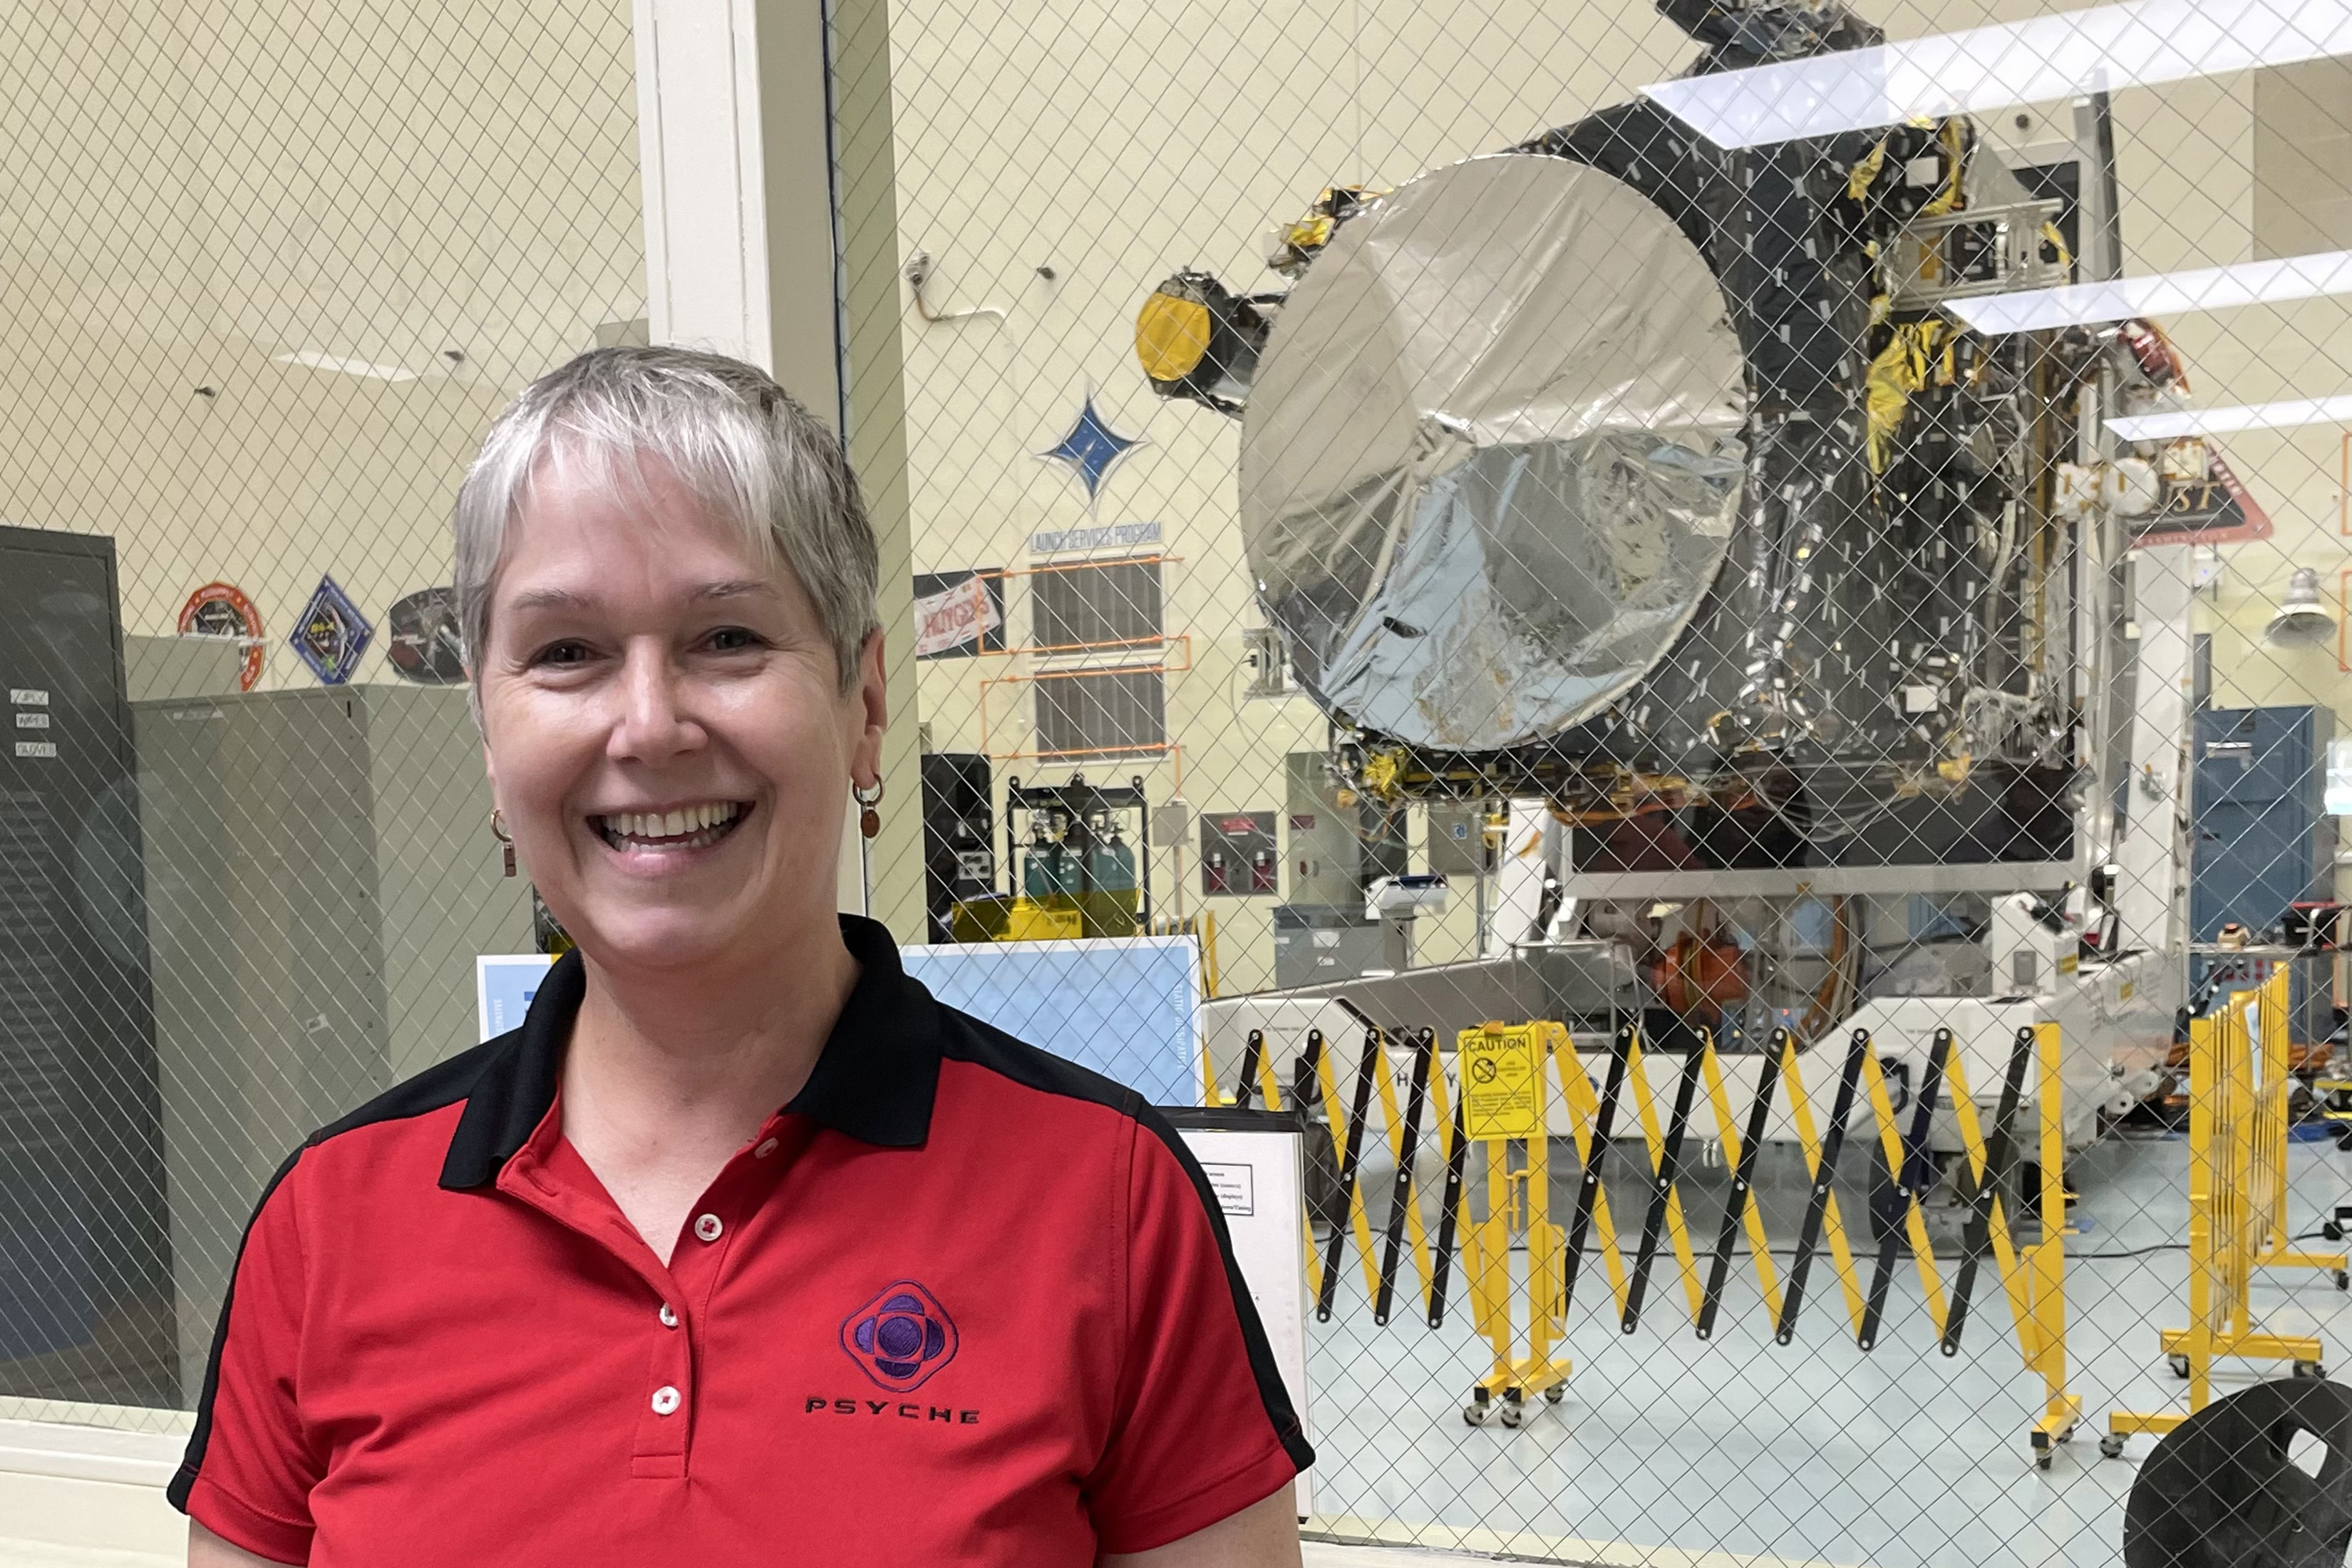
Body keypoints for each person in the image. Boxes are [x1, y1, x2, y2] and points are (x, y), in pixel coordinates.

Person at [175, 346, 1311, 1565]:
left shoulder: (1109, 1203)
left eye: (725, 638)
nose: (650, 725)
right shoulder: (330, 1223)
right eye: (566, 653)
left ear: (865, 704)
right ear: (488, 736)